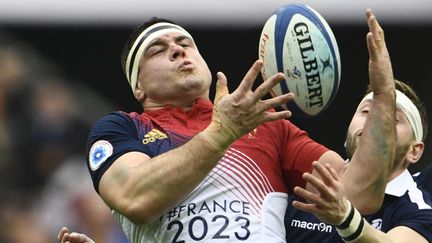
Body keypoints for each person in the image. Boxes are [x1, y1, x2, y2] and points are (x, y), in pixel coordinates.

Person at [59, 8, 396, 243]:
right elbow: (135, 198)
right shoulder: (120, 129)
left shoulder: (266, 126)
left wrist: (383, 96)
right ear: (139, 88)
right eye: (158, 50)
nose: (178, 50)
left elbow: (360, 194)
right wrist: (223, 131)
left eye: (185, 43)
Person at [285, 79, 432, 242]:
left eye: (392, 118)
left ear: (414, 151)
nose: (374, 123)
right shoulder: (304, 181)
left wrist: (346, 219)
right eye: (366, 112)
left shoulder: (419, 211)